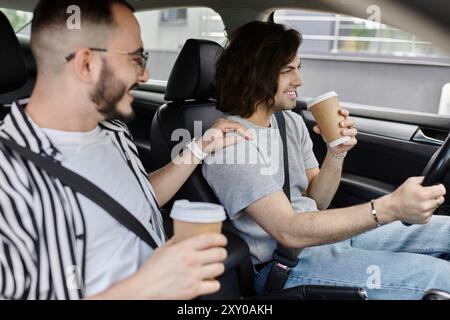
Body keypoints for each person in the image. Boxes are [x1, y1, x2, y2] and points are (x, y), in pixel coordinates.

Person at [0, 0, 252, 300]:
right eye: (136, 58)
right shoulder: (9, 176)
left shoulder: (114, 131)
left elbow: (140, 198)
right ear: (86, 64)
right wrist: (147, 286)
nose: (144, 75)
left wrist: (200, 148)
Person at [202, 21, 450, 300]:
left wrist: (336, 152)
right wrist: (391, 207)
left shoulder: (289, 122)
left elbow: (317, 202)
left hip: (324, 238)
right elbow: (289, 231)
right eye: (287, 71)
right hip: (287, 264)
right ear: (254, 74)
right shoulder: (229, 144)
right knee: (439, 278)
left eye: (298, 67)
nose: (299, 80)